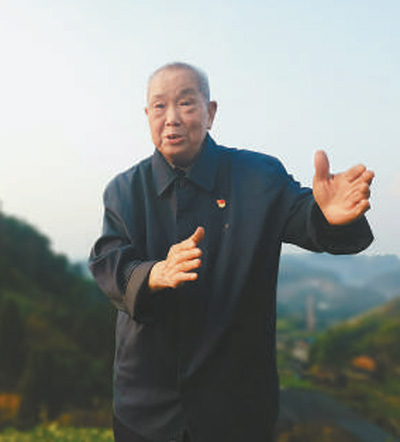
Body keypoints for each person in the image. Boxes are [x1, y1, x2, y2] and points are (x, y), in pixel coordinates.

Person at [89, 62, 374, 442]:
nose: (171, 118)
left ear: (210, 112)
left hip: (238, 408)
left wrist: (330, 216)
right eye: (159, 106)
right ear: (147, 115)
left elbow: (308, 220)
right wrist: (154, 274)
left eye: (186, 103)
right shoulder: (125, 190)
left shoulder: (258, 177)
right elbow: (109, 262)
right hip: (146, 406)